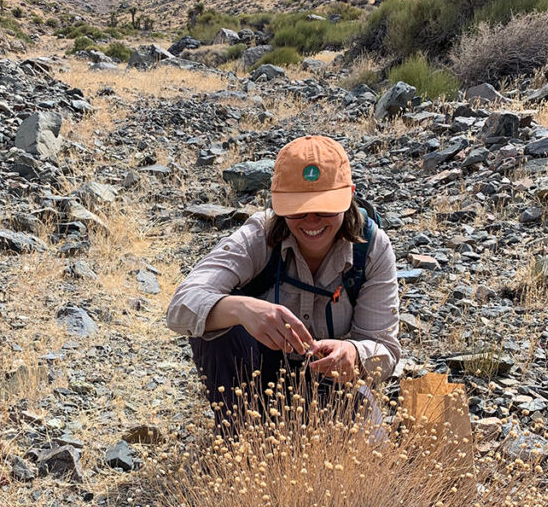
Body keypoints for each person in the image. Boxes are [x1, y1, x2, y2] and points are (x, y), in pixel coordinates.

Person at [166, 135, 401, 419]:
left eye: (325, 207)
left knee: (369, 441)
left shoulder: (372, 248)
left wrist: (353, 352)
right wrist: (241, 308)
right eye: (297, 209)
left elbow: (385, 349)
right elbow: (181, 307)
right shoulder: (258, 236)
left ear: (349, 195)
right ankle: (238, 434)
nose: (311, 220)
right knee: (216, 329)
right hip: (256, 382)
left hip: (333, 385)